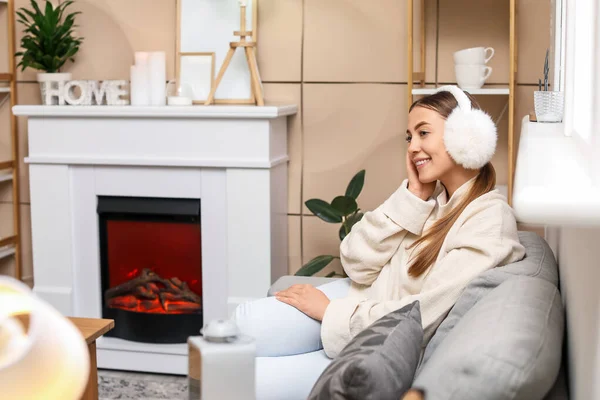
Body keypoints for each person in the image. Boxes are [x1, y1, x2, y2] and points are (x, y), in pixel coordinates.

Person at [234, 85, 526, 400]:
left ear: (466, 137)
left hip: (380, 343)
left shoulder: (489, 221)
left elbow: (421, 316)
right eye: (409, 137)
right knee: (243, 324)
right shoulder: (431, 198)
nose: (413, 147)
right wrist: (412, 198)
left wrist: (331, 312)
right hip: (362, 302)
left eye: (423, 133)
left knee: (240, 377)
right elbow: (355, 262)